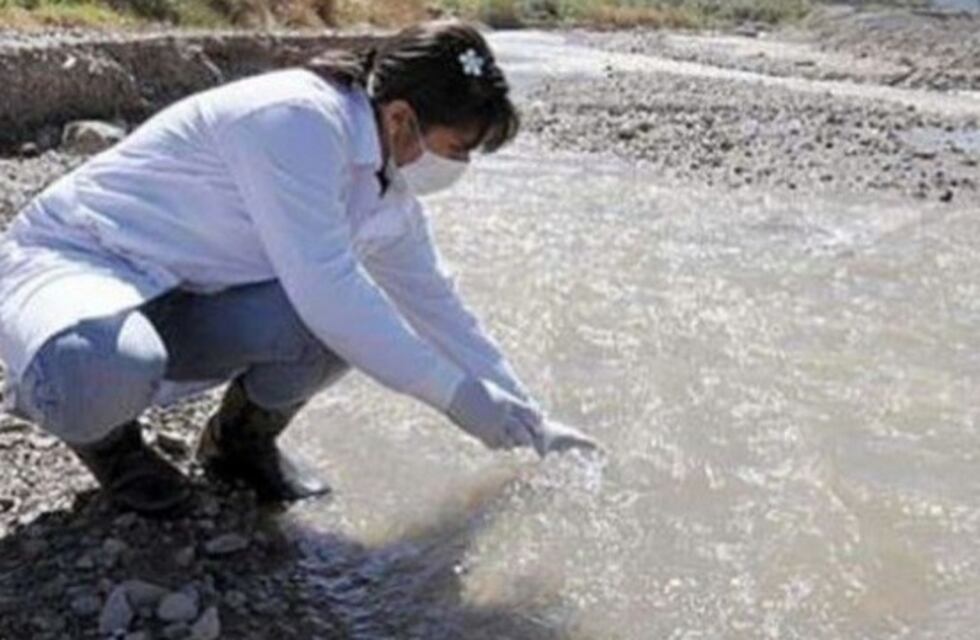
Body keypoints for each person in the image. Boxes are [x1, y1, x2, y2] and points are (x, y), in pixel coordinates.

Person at [0, 19, 596, 517]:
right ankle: (112, 447)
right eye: (457, 149)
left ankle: (239, 446)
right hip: (77, 263)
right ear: (400, 119)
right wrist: (458, 398)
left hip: (184, 291)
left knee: (341, 328)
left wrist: (529, 418)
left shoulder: (388, 192)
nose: (461, 165)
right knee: (94, 367)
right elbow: (330, 292)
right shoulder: (298, 120)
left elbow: (439, 307)